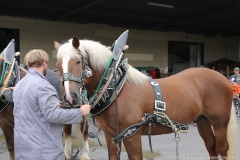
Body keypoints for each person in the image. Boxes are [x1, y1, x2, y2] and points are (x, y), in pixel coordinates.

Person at [12, 49, 91, 160]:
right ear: (44, 63)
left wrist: (56, 104)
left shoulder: (20, 85)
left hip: (23, 151)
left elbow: (33, 110)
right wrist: (81, 112)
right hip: (44, 152)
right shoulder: (43, 85)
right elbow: (54, 115)